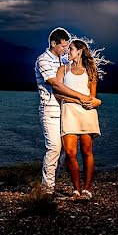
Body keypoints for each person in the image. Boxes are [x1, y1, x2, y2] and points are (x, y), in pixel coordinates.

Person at [34, 27, 96, 192]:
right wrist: (81, 97)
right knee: (54, 147)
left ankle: (52, 184)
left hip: (67, 111)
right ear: (53, 43)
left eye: (68, 47)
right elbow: (56, 85)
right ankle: (46, 189)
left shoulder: (63, 61)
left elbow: (76, 76)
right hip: (51, 109)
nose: (65, 49)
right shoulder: (43, 60)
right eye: (63, 46)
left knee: (64, 151)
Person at [56, 38, 102, 199]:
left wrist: (95, 101)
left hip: (86, 113)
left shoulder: (91, 70)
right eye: (67, 49)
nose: (68, 52)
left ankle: (86, 190)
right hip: (69, 113)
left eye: (71, 49)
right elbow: (57, 92)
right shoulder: (63, 69)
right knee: (69, 152)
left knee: (87, 151)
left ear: (80, 51)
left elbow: (92, 97)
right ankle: (76, 189)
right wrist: (77, 100)